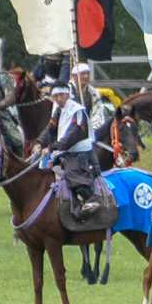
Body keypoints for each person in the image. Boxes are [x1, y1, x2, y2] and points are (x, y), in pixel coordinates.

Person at [33, 84, 101, 216]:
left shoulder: (77, 111)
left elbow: (73, 135)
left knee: (73, 175)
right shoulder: (59, 110)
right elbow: (50, 129)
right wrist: (39, 143)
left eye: (60, 95)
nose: (58, 98)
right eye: (55, 96)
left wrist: (51, 147)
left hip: (80, 154)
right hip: (64, 151)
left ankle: (92, 200)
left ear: (67, 94)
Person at [70, 63, 107, 133]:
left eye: (87, 73)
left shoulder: (93, 93)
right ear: (74, 76)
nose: (86, 76)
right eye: (83, 74)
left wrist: (92, 129)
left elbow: (98, 113)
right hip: (70, 129)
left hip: (89, 129)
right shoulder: (67, 91)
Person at [0, 64, 25, 153]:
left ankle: (19, 163)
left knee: (17, 141)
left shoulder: (2, 77)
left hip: (0, 113)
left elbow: (10, 98)